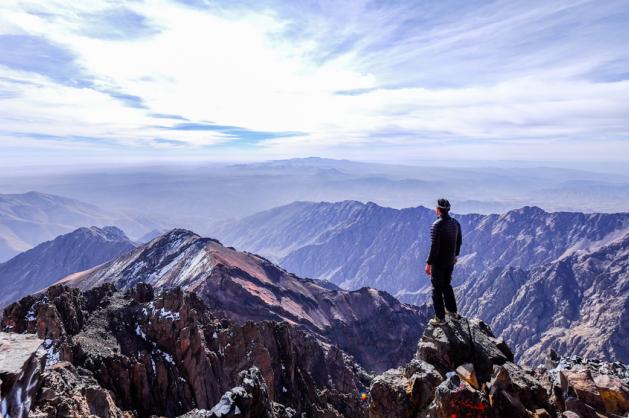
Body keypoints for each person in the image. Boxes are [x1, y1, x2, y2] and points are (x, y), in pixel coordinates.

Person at [425, 198, 462, 326]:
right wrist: (455, 256)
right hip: (450, 261)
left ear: (438, 210)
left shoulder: (437, 225)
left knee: (436, 289)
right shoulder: (456, 223)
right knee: (447, 285)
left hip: (438, 263)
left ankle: (440, 318)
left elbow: (434, 247)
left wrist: (429, 263)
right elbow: (459, 242)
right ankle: (452, 312)